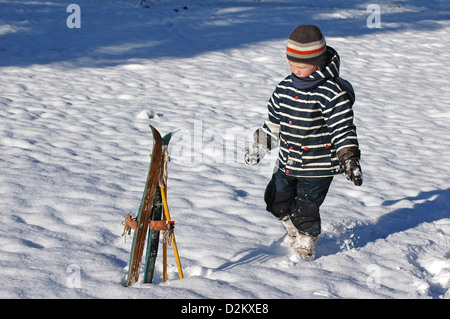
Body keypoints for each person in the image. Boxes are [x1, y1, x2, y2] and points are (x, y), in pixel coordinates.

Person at [245, 25, 362, 259]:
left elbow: (342, 128)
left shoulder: (331, 92)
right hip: (288, 159)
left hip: (318, 165)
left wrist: (349, 158)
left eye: (302, 66)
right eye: (292, 64)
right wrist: (261, 144)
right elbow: (274, 123)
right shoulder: (284, 88)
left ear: (318, 63)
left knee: (306, 207)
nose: (295, 70)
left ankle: (306, 240)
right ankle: (292, 226)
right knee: (276, 199)